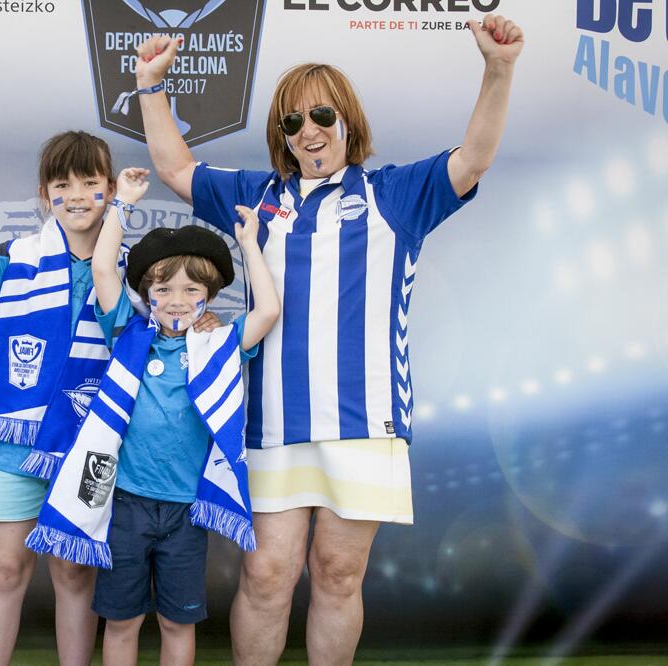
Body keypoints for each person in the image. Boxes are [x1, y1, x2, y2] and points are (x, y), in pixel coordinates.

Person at [131, 14, 524, 665]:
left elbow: (475, 156)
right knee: (266, 575)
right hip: (273, 424)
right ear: (281, 135)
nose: (308, 132)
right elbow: (177, 169)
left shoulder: (396, 194)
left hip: (363, 422)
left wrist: (498, 69)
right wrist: (150, 86)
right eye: (293, 122)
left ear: (346, 122)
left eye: (321, 116)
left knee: (339, 573)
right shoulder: (258, 196)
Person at [0, 132, 217, 665]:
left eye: (90, 182)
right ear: (44, 193)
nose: (77, 195)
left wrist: (205, 323)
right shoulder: (17, 257)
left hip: (91, 446)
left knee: (74, 572)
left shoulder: (135, 271)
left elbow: (172, 326)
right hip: (16, 442)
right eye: (63, 184)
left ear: (109, 187)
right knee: (7, 568)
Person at [25, 166, 279, 666]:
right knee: (121, 621)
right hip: (126, 505)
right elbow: (103, 270)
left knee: (175, 622)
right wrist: (122, 205)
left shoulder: (218, 344)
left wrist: (250, 245)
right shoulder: (129, 334)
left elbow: (267, 312)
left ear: (209, 295)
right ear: (146, 295)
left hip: (186, 511)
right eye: (162, 290)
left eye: (190, 291)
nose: (177, 301)